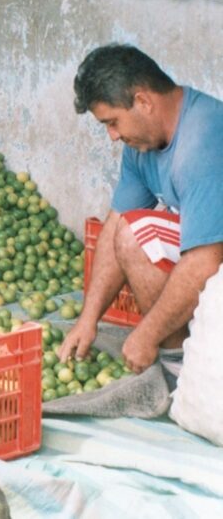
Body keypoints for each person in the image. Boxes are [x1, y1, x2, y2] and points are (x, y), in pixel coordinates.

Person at [59, 44, 223, 377]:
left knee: (140, 234)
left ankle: (186, 366)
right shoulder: (142, 147)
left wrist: (145, 334)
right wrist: (88, 320)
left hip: (214, 258)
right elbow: (117, 222)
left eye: (113, 122)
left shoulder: (203, 139)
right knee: (129, 231)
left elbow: (206, 259)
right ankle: (178, 359)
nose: (113, 136)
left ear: (143, 101)